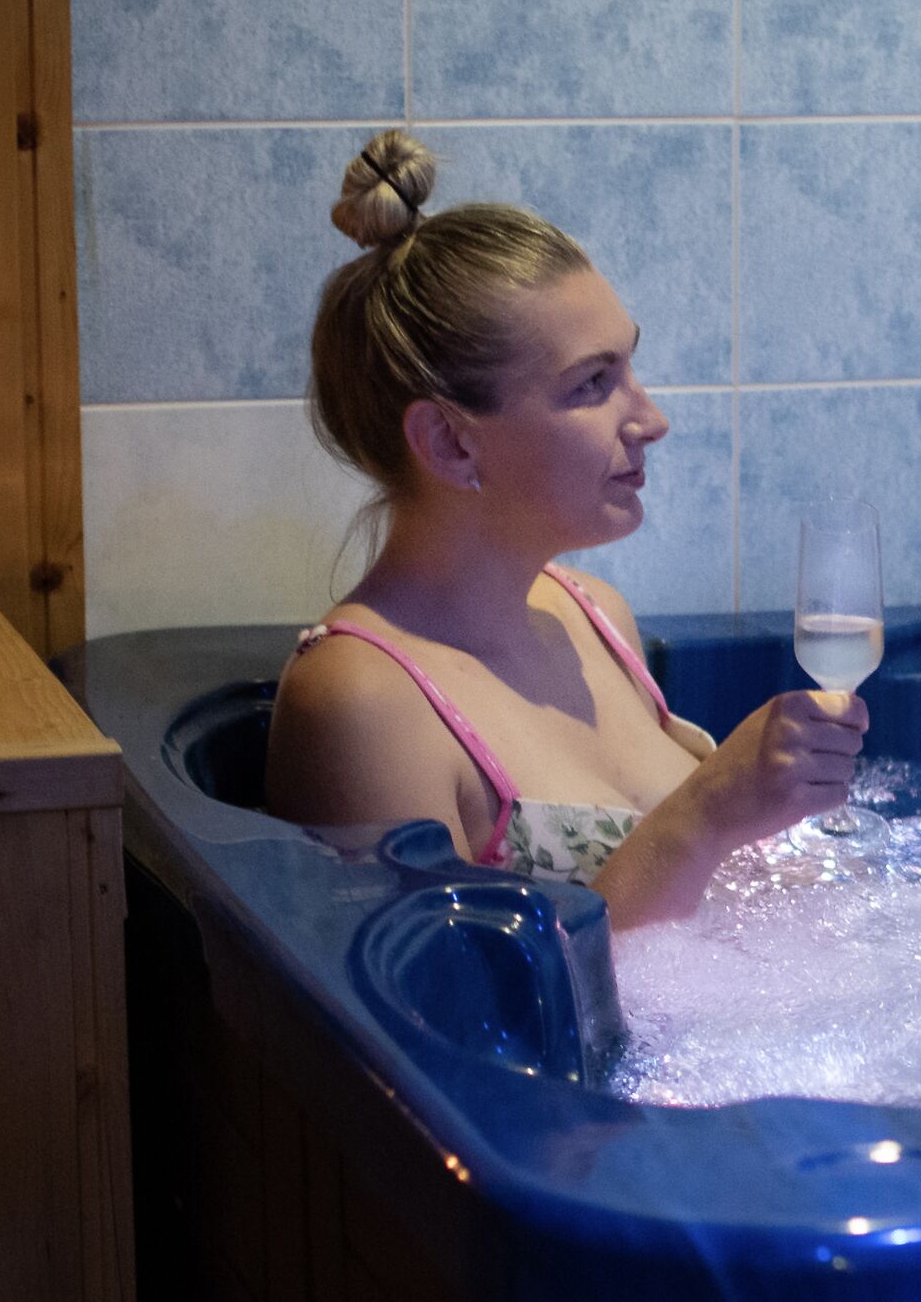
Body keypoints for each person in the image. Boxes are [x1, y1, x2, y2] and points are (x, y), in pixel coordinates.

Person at [263, 130, 866, 927]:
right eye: (592, 384)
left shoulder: (593, 616)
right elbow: (459, 993)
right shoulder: (364, 703)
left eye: (629, 368)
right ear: (450, 442)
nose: (651, 419)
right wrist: (708, 811)